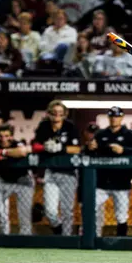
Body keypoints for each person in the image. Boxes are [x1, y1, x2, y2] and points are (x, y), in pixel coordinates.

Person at [87, 106, 132, 237]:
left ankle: (121, 242)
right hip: (102, 182)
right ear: (108, 118)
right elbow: (91, 152)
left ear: (122, 117)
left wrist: (123, 150)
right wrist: (90, 148)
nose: (114, 119)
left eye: (117, 116)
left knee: (121, 215)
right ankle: (92, 237)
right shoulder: (101, 134)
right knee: (90, 207)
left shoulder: (128, 134)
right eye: (112, 116)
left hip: (121, 182)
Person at [31, 100, 81, 236]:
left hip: (68, 172)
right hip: (50, 172)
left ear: (65, 114)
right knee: (50, 210)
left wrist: (61, 148)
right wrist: (45, 147)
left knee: (67, 210)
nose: (57, 115)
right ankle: (58, 229)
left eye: (60, 113)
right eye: (54, 112)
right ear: (49, 114)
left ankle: (67, 238)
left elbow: (77, 148)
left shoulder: (70, 127)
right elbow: (35, 145)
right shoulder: (44, 126)